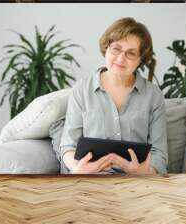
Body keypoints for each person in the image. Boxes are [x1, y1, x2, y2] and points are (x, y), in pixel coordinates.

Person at [59, 17, 168, 175]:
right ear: (106, 48)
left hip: (136, 182)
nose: (121, 58)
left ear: (140, 60)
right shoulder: (82, 89)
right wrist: (78, 169)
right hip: (90, 179)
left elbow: (159, 154)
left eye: (131, 53)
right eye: (116, 49)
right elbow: (68, 146)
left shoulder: (153, 95)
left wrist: (143, 172)